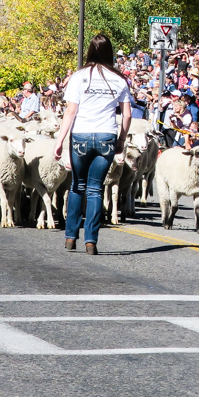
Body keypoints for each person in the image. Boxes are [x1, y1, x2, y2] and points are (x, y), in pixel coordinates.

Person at [53, 35, 132, 255]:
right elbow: (126, 115)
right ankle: (91, 241)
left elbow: (71, 111)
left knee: (78, 186)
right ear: (110, 53)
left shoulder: (79, 77)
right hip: (106, 134)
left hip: (81, 135)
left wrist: (60, 140)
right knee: (96, 189)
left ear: (89, 52)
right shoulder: (119, 79)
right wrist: (121, 140)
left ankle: (70, 236)